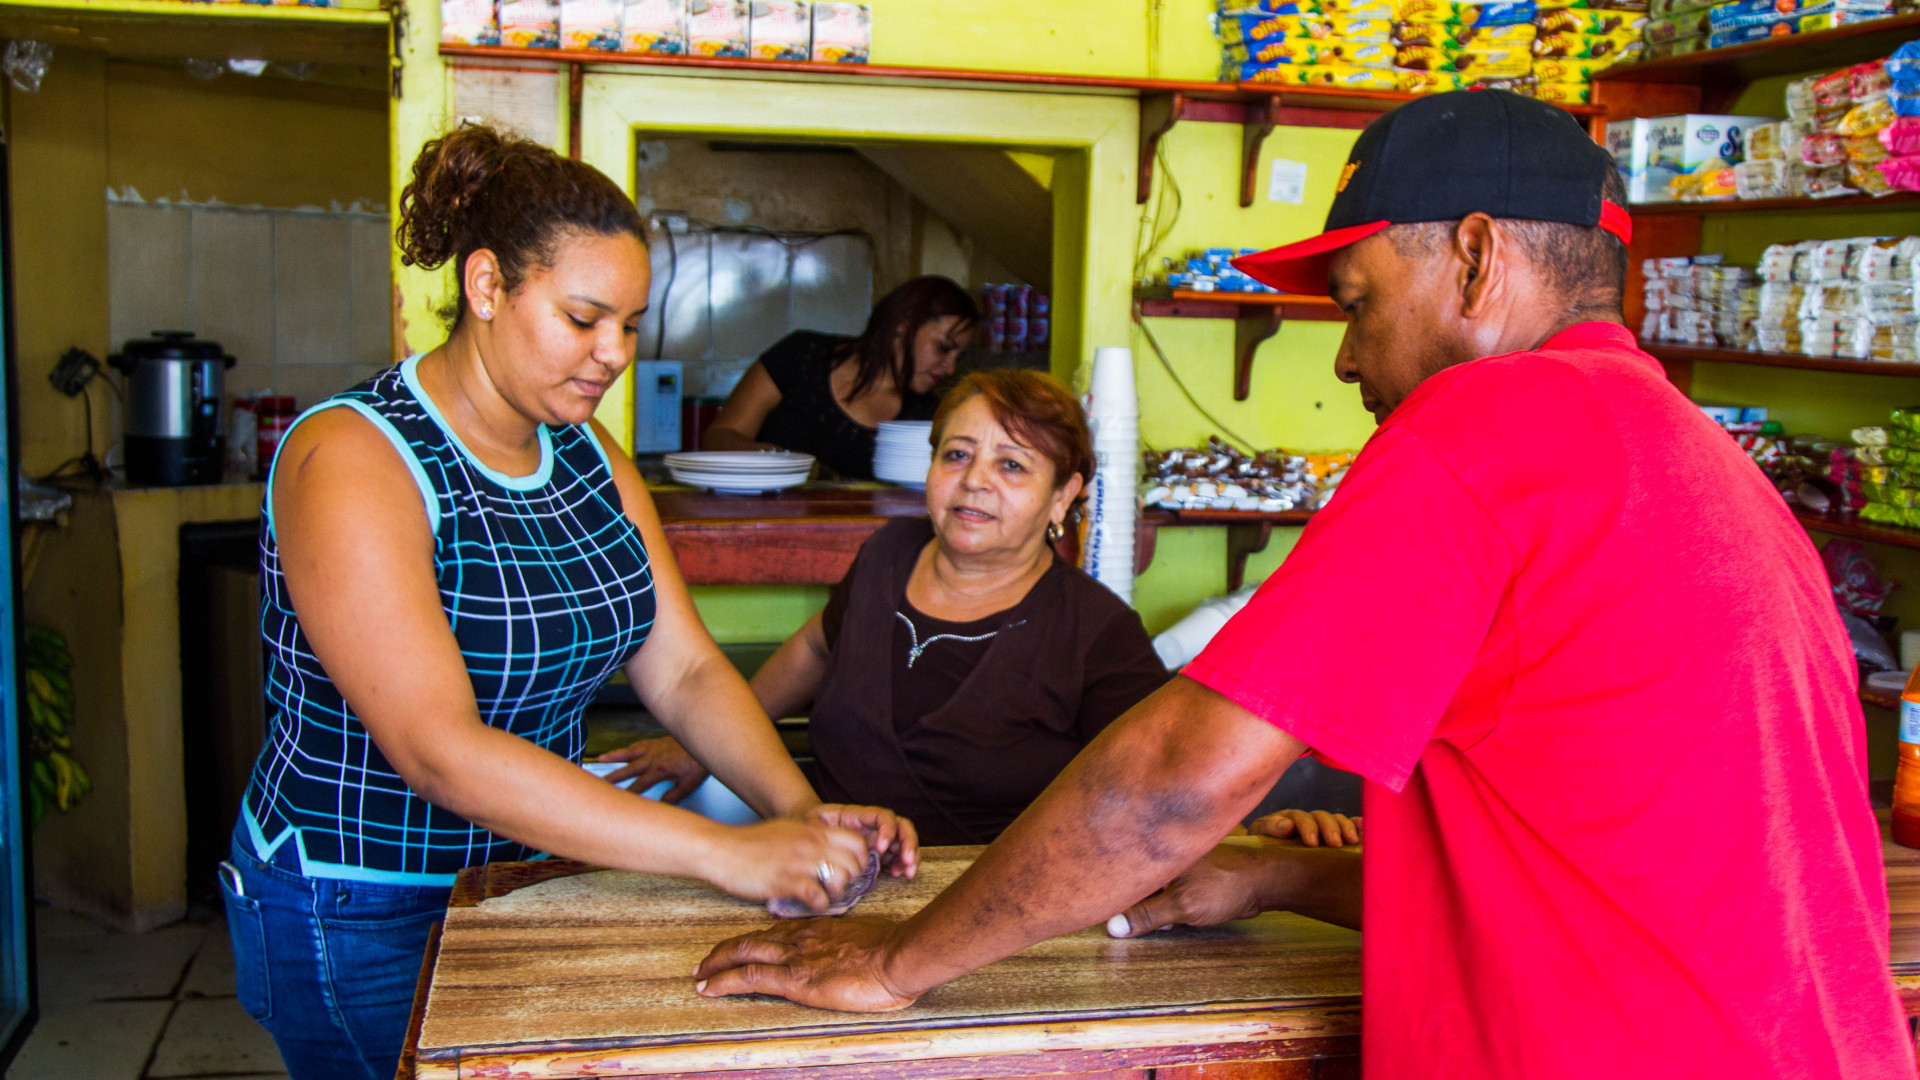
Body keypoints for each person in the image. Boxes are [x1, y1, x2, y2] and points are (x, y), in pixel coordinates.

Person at [690, 91, 1914, 1079]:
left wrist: (896, 965)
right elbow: (1598, 862)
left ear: (1476, 258)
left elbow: (1173, 783)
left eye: (1357, 305)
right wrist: (1278, 876)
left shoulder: (1489, 426)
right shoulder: (1701, 459)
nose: (1344, 358)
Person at [222, 124, 916, 1080]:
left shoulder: (585, 453)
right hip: (362, 904)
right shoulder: (353, 456)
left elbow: (683, 667)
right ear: (486, 287)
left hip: (525, 875)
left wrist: (801, 818)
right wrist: (729, 854)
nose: (613, 353)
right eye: (584, 318)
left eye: (630, 324)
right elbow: (439, 749)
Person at [701, 276, 978, 478]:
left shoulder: (928, 415)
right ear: (904, 323)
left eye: (960, 356)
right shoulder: (800, 357)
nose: (950, 367)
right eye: (944, 347)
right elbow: (719, 438)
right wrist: (779, 460)